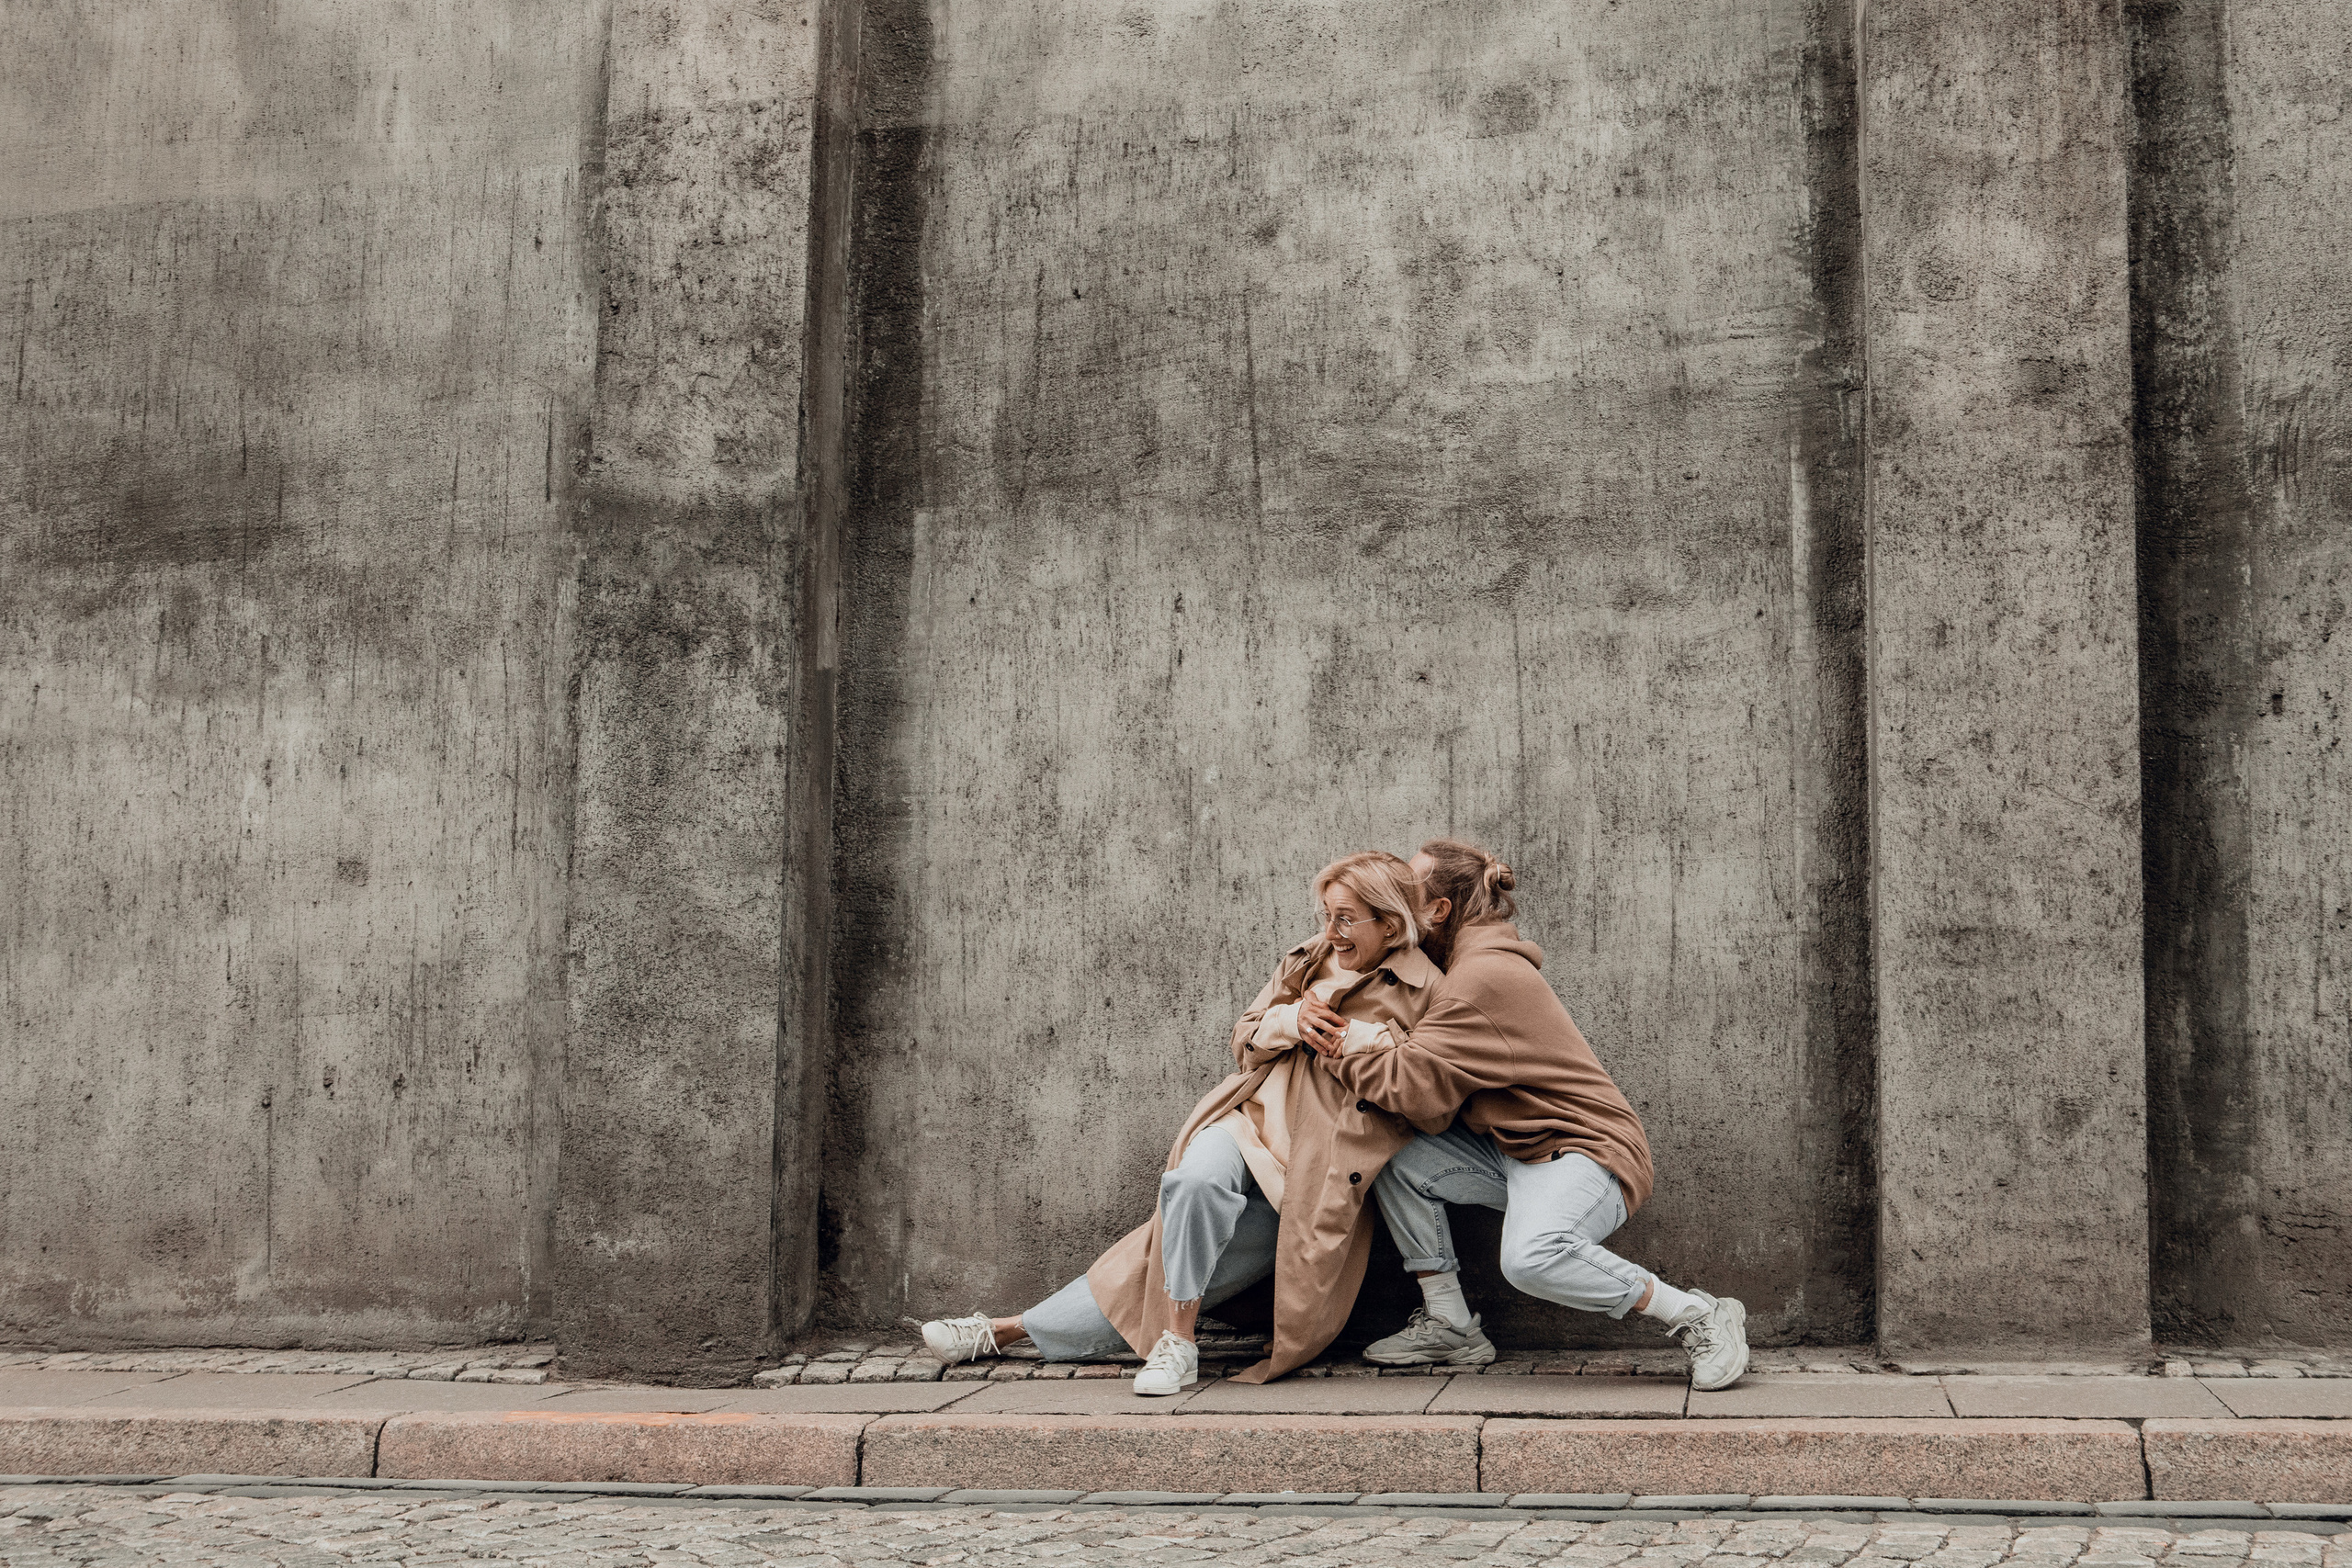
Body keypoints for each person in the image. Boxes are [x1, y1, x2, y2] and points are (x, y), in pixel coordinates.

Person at [919, 852, 1442, 1394]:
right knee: (1192, 1184)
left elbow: (1425, 1089)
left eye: (1345, 919)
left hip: (1315, 1171)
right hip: (1248, 1122)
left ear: (1389, 923)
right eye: (1326, 916)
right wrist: (1290, 1019)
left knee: (1154, 1262)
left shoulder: (1427, 989)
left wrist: (1359, 1040)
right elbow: (1245, 1038)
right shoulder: (1310, 957)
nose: (1331, 932)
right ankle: (1179, 1343)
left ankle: (1002, 1330)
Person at [1309, 839, 1750, 1391]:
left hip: (1586, 1153)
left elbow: (1412, 1088)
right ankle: (1450, 1323)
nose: (1393, 901)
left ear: (1438, 910)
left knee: (1531, 1259)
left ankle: (1697, 1314)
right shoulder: (1457, 967)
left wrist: (1334, 1047)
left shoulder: (1480, 979)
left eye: (1406, 893)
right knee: (1389, 1152)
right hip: (1519, 1151)